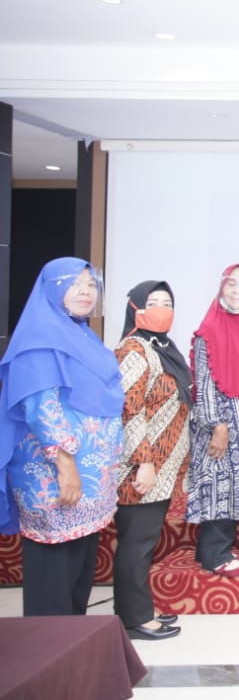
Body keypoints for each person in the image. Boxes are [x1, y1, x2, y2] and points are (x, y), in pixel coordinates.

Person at [0, 259, 124, 617]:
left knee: (78, 575)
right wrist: (66, 465)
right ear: (53, 289)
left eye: (90, 284)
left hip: (89, 480)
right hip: (55, 476)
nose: (85, 291)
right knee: (54, 577)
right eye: (74, 283)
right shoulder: (40, 338)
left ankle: (72, 643)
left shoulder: (81, 334)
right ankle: (49, 646)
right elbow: (42, 406)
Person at [113, 280, 192, 640]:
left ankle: (139, 607)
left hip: (162, 464)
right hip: (142, 466)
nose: (162, 309)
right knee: (137, 542)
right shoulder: (134, 350)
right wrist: (143, 462)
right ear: (135, 309)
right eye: (153, 302)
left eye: (167, 303)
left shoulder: (160, 347)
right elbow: (129, 409)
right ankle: (134, 619)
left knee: (144, 540)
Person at [186, 264, 239, 579]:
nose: (238, 291)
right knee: (218, 485)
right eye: (232, 284)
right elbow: (203, 384)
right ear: (221, 288)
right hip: (219, 422)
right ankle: (215, 555)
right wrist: (216, 426)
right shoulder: (209, 330)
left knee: (234, 485)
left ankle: (213, 548)